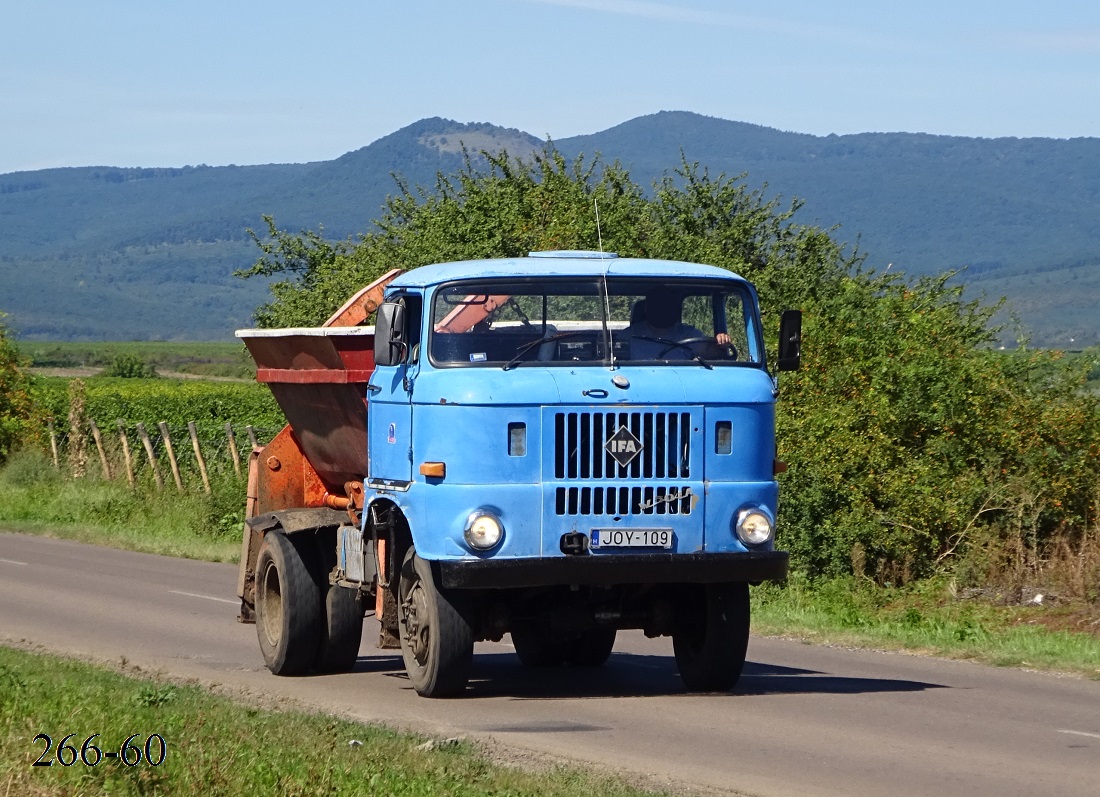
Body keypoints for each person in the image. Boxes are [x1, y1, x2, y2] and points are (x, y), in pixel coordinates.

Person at [625, 293, 731, 360]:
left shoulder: (689, 334)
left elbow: (708, 352)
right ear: (646, 309)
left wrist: (721, 343)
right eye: (657, 305)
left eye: (666, 306)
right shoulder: (628, 335)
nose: (662, 311)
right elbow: (612, 355)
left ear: (674, 309)